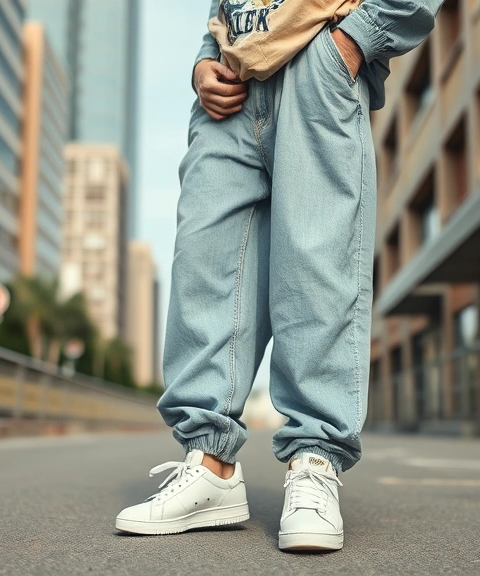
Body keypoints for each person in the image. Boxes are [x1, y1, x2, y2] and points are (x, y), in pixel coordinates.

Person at [116, 0, 442, 552]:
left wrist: (355, 41)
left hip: (319, 61)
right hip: (230, 86)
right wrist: (203, 62)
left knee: (316, 266)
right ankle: (210, 464)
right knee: (204, 265)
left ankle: (315, 459)